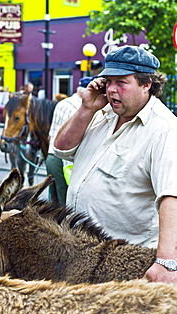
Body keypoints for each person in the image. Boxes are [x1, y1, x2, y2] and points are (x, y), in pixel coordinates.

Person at [54, 45, 177, 286]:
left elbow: (171, 197)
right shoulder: (101, 113)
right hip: (79, 250)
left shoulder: (165, 130)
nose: (111, 90)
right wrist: (87, 108)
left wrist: (166, 263)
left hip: (123, 261)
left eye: (121, 82)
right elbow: (61, 148)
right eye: (107, 81)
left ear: (146, 84)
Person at [46, 77, 93, 205]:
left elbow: (50, 136)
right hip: (65, 162)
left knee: (53, 200)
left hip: (51, 158)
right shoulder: (81, 108)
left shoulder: (62, 103)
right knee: (65, 203)